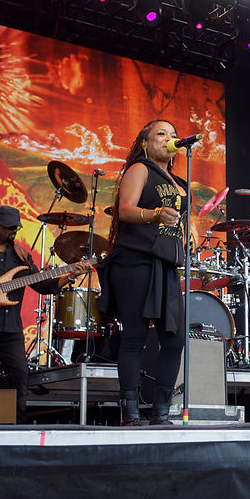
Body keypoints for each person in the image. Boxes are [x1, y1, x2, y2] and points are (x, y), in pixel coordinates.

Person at [100, 119, 191, 426]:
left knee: (175, 339)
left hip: (164, 265)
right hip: (135, 262)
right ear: (145, 143)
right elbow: (124, 209)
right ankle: (130, 412)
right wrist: (154, 214)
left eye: (173, 135)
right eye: (161, 134)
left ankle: (161, 412)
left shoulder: (179, 179)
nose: (169, 138)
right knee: (134, 338)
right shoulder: (140, 169)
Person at [0, 205, 90, 423]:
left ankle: (16, 424)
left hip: (11, 328)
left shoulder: (20, 254)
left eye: (17, 228)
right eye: (9, 227)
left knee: (20, 375)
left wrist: (69, 276)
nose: (14, 231)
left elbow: (43, 284)